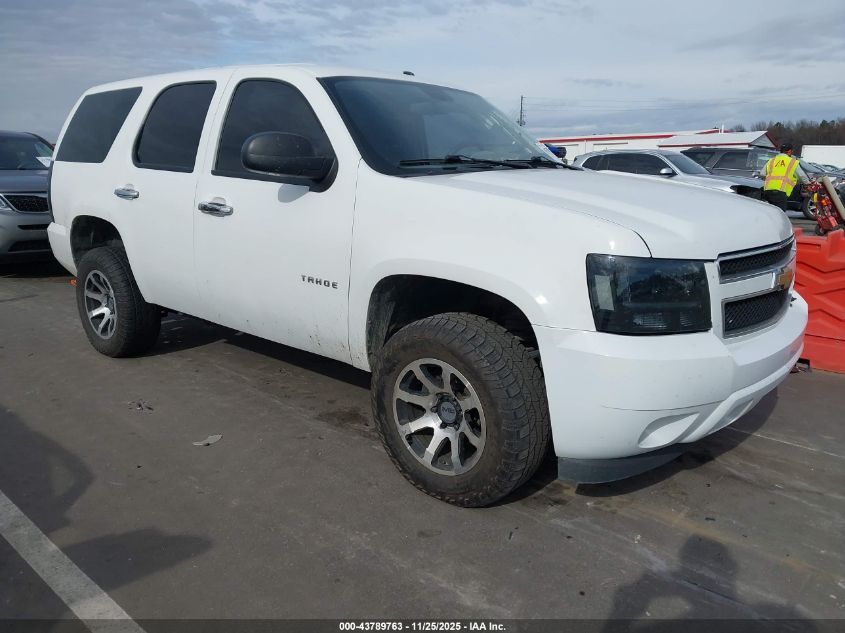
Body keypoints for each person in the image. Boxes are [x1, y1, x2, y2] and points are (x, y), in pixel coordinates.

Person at [761, 142, 808, 211]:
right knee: (780, 214)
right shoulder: (792, 161)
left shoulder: (772, 160)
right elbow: (802, 176)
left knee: (771, 213)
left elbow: (762, 174)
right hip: (780, 192)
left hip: (767, 191)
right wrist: (807, 183)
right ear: (789, 151)